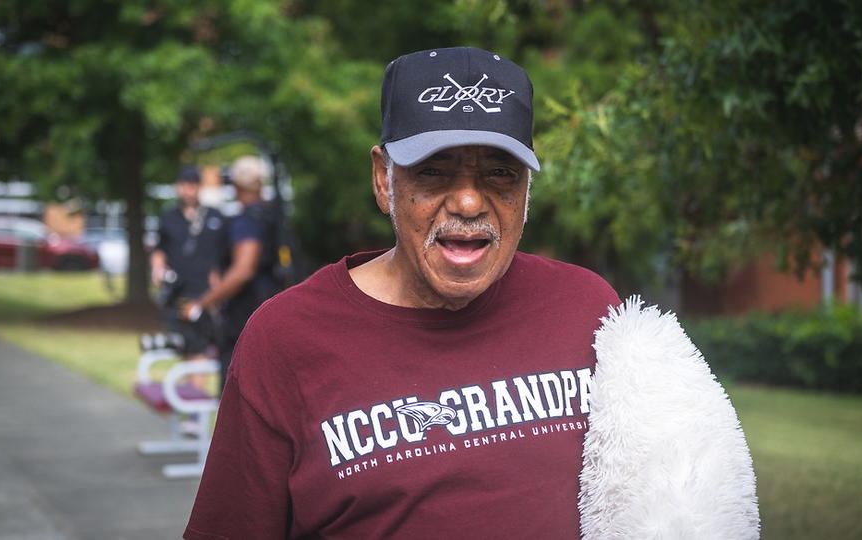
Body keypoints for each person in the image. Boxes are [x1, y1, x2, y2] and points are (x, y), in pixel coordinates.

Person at [184, 47, 620, 539]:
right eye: (433, 170)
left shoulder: (587, 309)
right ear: (383, 180)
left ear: (526, 188)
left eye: (500, 173)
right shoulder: (285, 338)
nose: (469, 201)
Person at [178, 156, 280, 389]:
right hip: (271, 306)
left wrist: (201, 303)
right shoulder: (272, 214)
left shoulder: (247, 220)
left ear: (236, 185)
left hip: (246, 314)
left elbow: (243, 270)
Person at [151, 165, 227, 390]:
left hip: (208, 294)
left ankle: (196, 408)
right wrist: (158, 269)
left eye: (192, 185)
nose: (187, 190)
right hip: (178, 292)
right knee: (186, 348)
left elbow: (228, 254)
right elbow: (159, 250)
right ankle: (192, 403)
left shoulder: (216, 217)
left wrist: (220, 280)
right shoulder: (168, 218)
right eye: (183, 185)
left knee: (199, 348)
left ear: (199, 187)